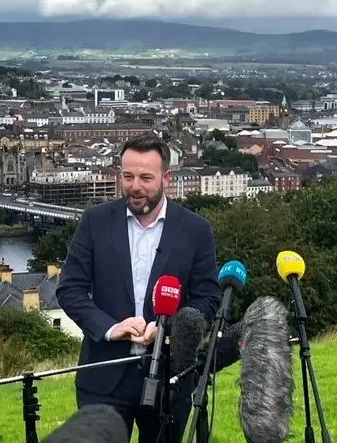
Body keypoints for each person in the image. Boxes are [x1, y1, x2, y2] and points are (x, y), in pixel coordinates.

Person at [56, 132, 221, 443]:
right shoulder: (94, 222)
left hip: (170, 380)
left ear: (166, 178)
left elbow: (208, 299)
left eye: (146, 177)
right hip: (103, 376)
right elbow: (70, 289)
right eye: (128, 176)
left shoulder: (196, 230)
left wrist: (168, 329)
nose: (135, 186)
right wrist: (110, 327)